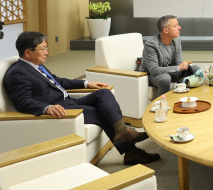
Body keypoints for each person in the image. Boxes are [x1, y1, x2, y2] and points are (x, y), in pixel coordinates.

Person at [4, 32, 160, 165]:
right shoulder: (18, 73)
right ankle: (131, 151)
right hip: (60, 109)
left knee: (104, 93)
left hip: (69, 100)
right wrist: (46, 108)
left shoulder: (36, 65)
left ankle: (121, 131)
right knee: (100, 112)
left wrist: (86, 83)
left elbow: (59, 81)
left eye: (46, 48)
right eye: (43, 48)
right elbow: (22, 101)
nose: (47, 52)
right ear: (28, 52)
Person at [139, 15, 200, 95]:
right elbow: (154, 70)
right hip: (152, 76)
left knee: (196, 69)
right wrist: (178, 67)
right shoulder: (151, 44)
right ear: (166, 30)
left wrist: (183, 66)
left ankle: (189, 98)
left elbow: (179, 64)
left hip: (170, 72)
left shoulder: (177, 42)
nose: (179, 27)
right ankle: (164, 104)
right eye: (175, 26)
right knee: (165, 78)